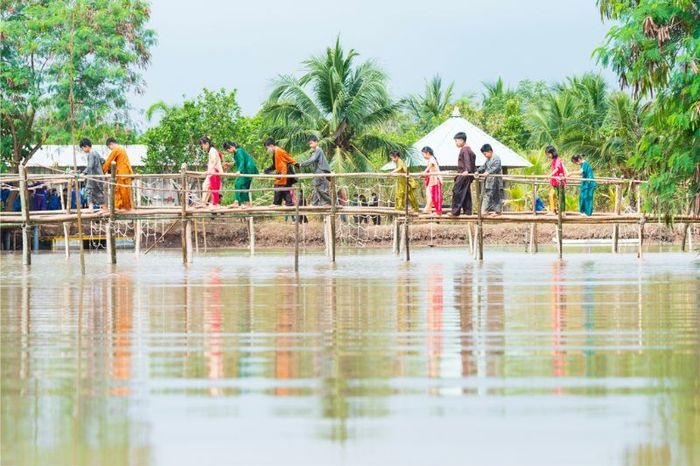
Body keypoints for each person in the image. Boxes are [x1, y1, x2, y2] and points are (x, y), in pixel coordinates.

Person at [263, 138, 298, 206]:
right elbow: (275, 165)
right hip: (283, 172)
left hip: (285, 172)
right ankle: (289, 203)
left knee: (278, 186)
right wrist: (267, 170)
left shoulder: (279, 151)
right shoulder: (275, 152)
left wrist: (297, 164)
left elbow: (289, 158)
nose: (267, 150)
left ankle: (276, 203)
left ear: (271, 145)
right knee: (285, 189)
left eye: (267, 148)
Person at [223, 141, 258, 208]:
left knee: (238, 183)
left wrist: (239, 170)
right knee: (244, 187)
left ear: (232, 147)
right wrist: (229, 164)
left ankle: (237, 202)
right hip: (247, 170)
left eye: (228, 150)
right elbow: (237, 162)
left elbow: (242, 161)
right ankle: (247, 204)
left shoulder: (239, 151)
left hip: (248, 169)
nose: (229, 151)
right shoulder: (236, 153)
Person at [102, 137, 133, 210]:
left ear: (111, 144)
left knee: (121, 191)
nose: (111, 149)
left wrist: (102, 171)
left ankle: (124, 208)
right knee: (123, 191)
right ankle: (124, 207)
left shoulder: (116, 149)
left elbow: (108, 162)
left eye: (110, 148)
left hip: (122, 173)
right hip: (125, 172)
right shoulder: (122, 149)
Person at [450, 132, 477, 216]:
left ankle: (455, 212)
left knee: (457, 191)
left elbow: (467, 160)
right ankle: (468, 211)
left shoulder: (465, 149)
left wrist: (467, 170)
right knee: (466, 193)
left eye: (456, 141)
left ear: (462, 140)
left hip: (464, 174)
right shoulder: (469, 149)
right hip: (466, 174)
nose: (456, 143)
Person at [300, 135, 332, 206]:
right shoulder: (315, 152)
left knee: (322, 189)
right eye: (309, 144)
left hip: (321, 172)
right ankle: (315, 203)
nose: (310, 145)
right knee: (316, 188)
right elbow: (311, 160)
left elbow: (312, 160)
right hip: (317, 173)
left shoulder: (318, 150)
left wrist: (302, 164)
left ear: (316, 142)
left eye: (311, 143)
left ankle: (328, 203)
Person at [476, 144, 503, 216]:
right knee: (489, 195)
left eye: (485, 154)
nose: (485, 155)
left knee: (494, 195)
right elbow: (484, 166)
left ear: (490, 151)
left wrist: (488, 172)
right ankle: (489, 210)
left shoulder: (496, 158)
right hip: (489, 181)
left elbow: (496, 168)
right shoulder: (488, 159)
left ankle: (492, 211)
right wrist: (477, 170)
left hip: (496, 180)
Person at [79, 138, 105, 210]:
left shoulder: (91, 154)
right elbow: (102, 161)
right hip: (97, 176)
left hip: (94, 177)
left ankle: (103, 209)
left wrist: (83, 173)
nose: (83, 150)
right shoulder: (96, 152)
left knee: (95, 192)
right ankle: (92, 208)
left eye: (83, 148)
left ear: (86, 146)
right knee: (92, 192)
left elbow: (90, 166)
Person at [199, 137, 223, 207]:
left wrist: (209, 171)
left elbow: (214, 161)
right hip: (214, 171)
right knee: (210, 187)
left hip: (213, 171)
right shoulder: (213, 150)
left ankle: (205, 203)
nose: (202, 147)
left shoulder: (212, 151)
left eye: (202, 145)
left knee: (207, 186)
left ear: (206, 144)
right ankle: (205, 203)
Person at [546, 145, 568, 214]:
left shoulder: (557, 159)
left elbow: (557, 168)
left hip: (559, 182)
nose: (548, 156)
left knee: (561, 197)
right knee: (553, 195)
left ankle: (562, 211)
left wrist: (550, 175)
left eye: (548, 154)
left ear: (552, 152)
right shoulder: (554, 160)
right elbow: (562, 167)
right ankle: (554, 210)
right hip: (555, 182)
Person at [421, 146, 443, 216]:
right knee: (429, 195)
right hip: (431, 180)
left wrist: (423, 173)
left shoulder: (432, 159)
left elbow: (430, 166)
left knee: (436, 196)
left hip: (436, 180)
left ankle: (438, 212)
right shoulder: (430, 159)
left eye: (423, 154)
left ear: (427, 153)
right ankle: (428, 209)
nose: (423, 156)